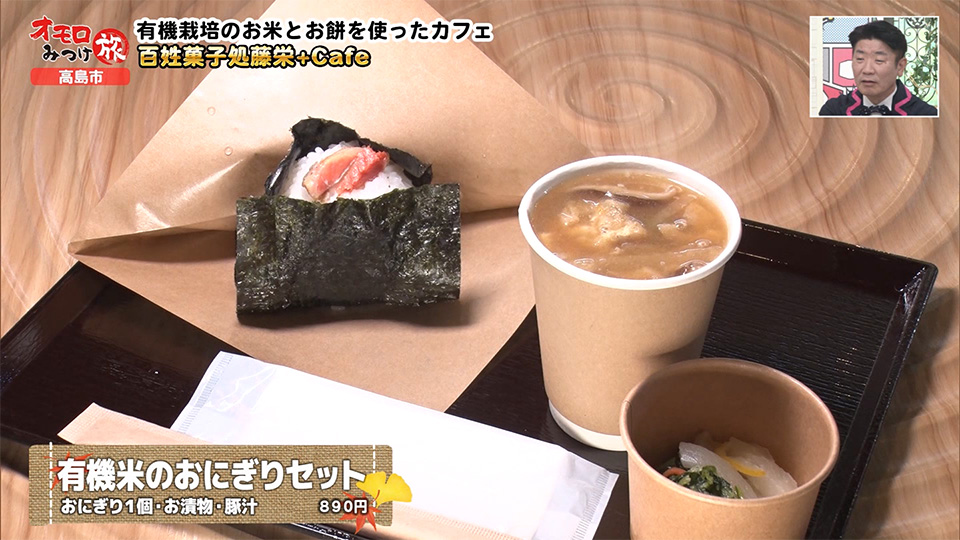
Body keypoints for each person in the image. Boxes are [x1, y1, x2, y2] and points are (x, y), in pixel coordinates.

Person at [819, 20, 937, 116]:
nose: (867, 70)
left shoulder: (925, 114)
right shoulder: (834, 111)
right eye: (860, 59)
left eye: (879, 60)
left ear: (900, 66)